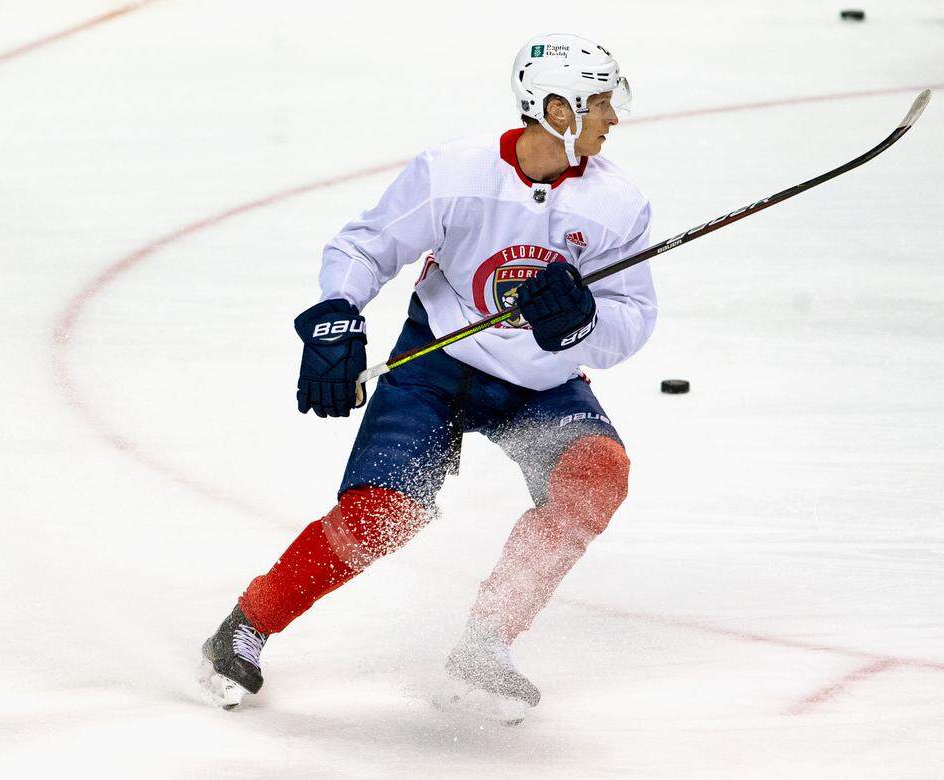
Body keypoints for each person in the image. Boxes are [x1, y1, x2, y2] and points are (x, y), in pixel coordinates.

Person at [201, 33, 656, 718]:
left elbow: (636, 317)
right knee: (383, 512)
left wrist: (584, 323)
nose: (612, 118)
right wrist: (336, 311)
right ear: (556, 110)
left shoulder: (616, 203)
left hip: (540, 383)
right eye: (597, 103)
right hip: (435, 367)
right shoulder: (455, 172)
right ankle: (245, 626)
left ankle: (487, 642)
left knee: (597, 474)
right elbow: (364, 246)